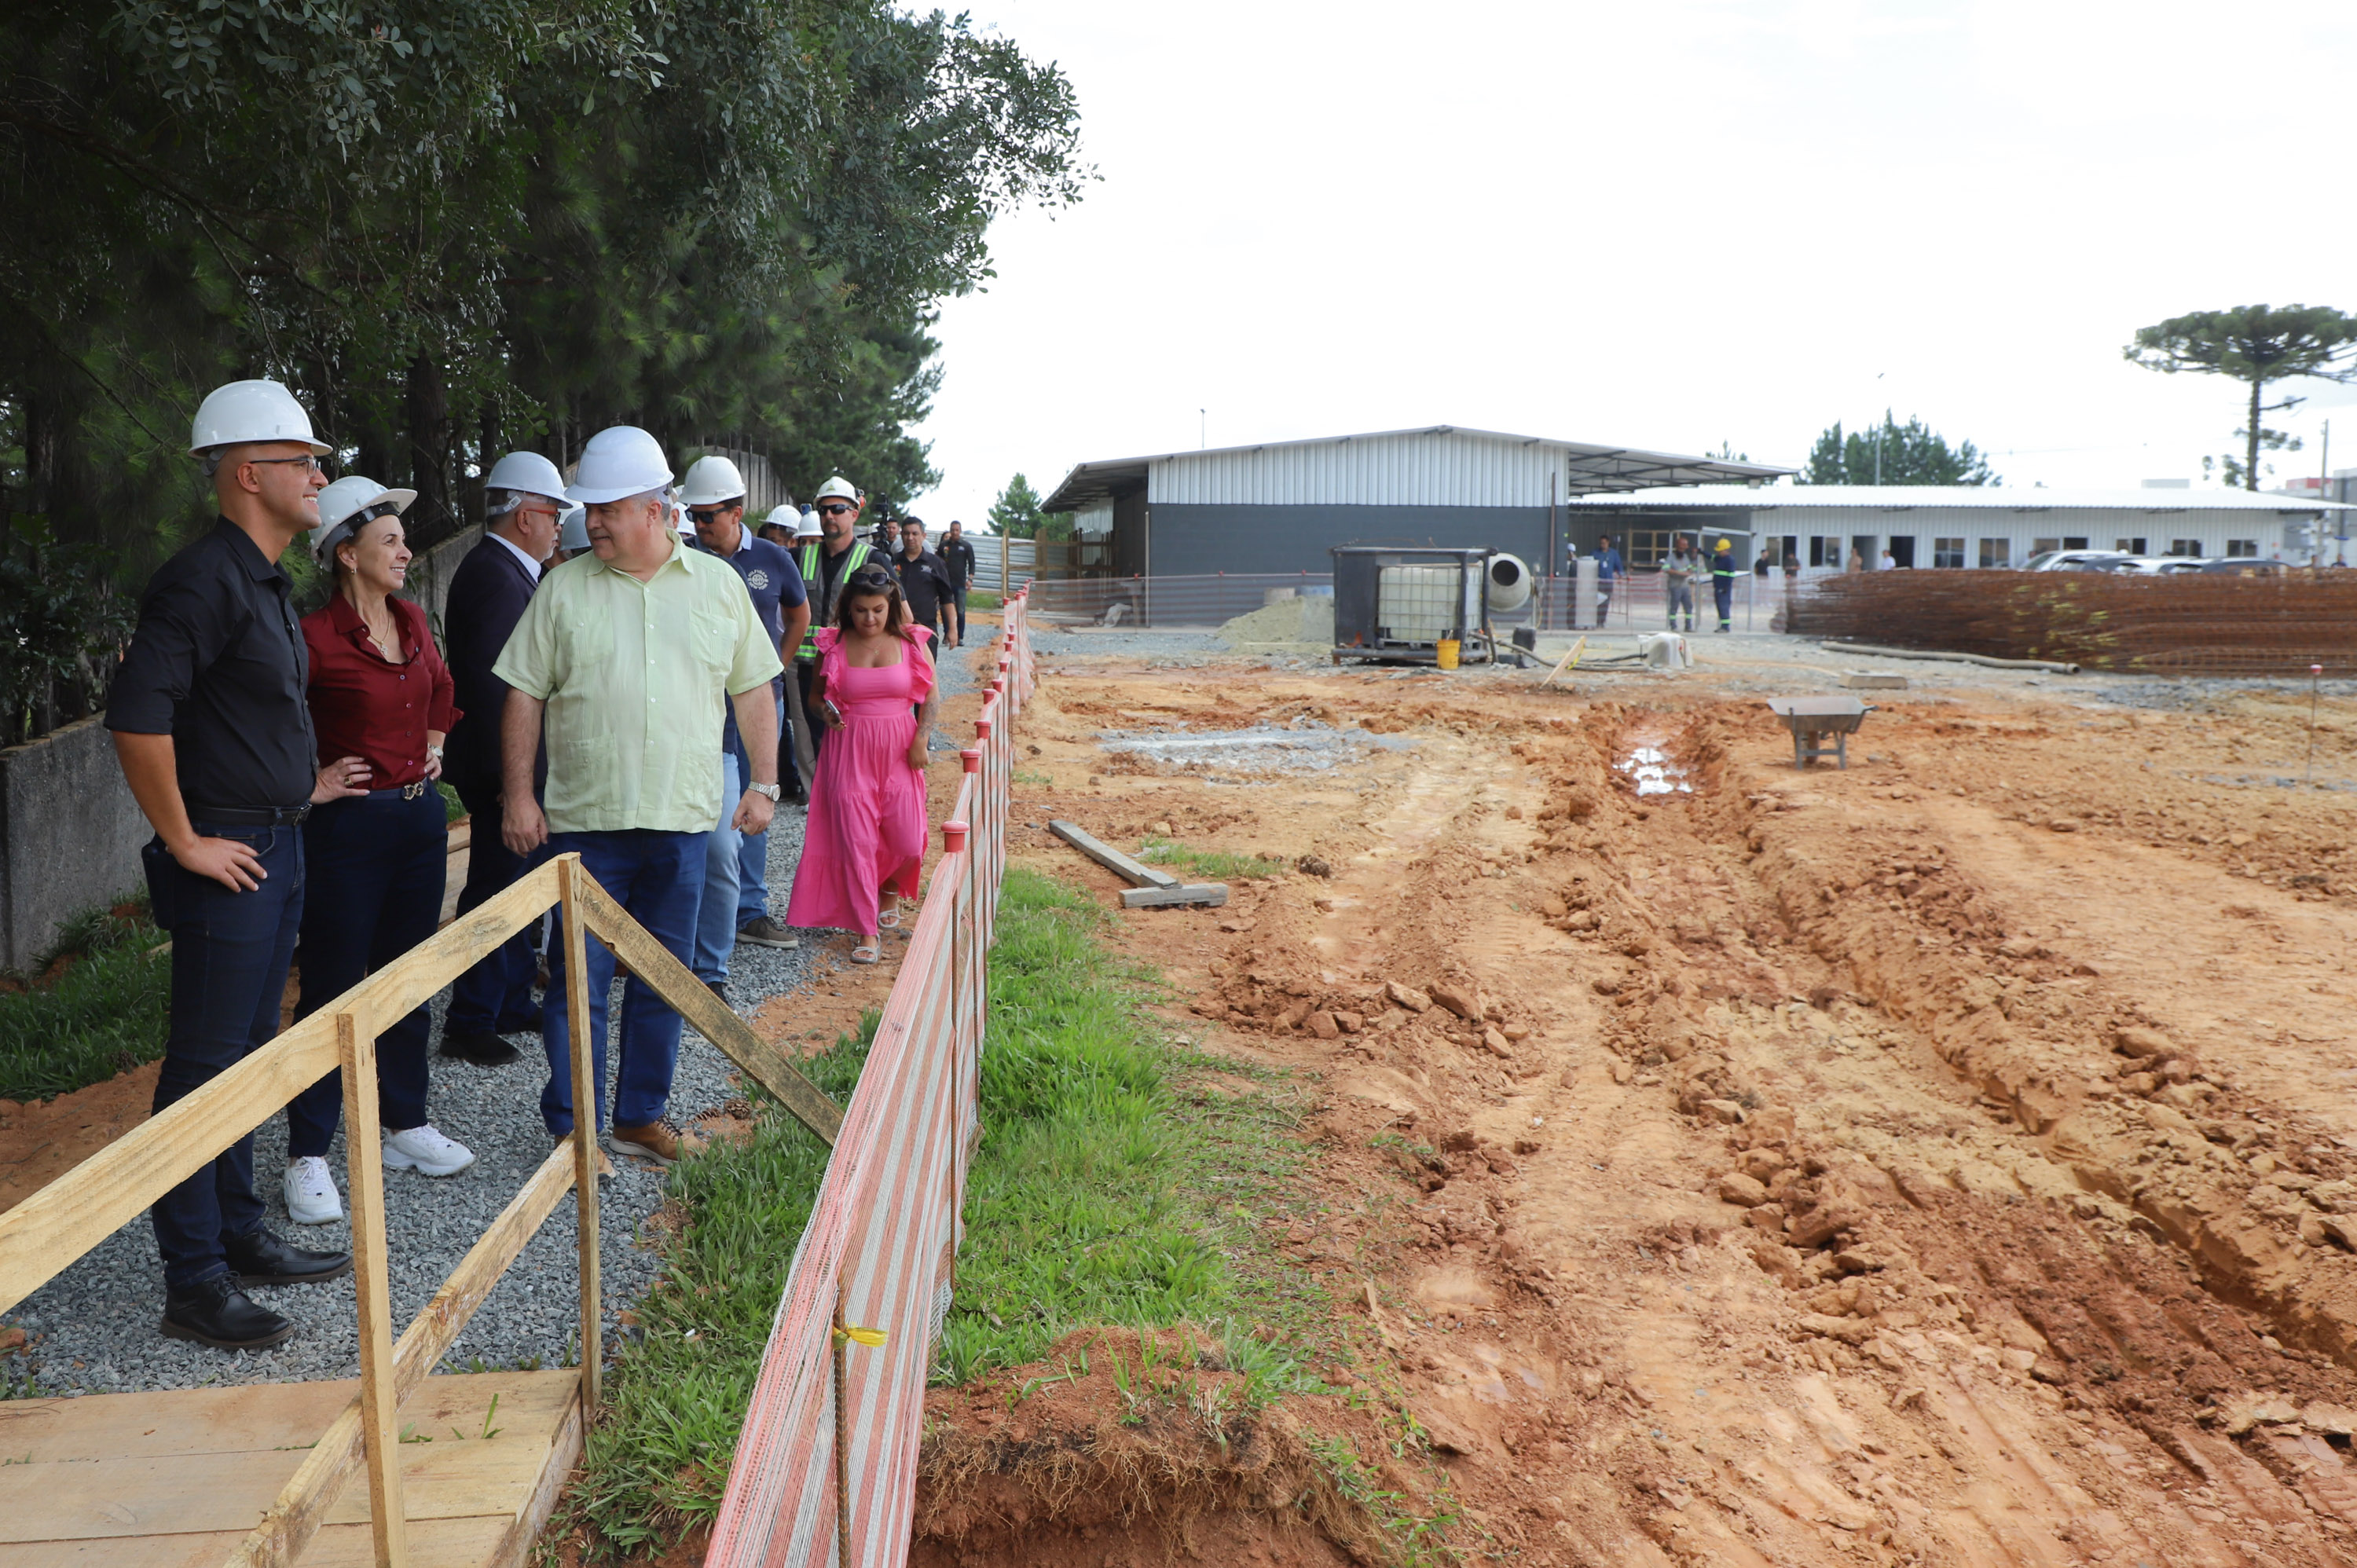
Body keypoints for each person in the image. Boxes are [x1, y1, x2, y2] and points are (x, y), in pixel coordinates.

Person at [107, 379, 357, 1350]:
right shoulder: (201, 580)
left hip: (277, 842)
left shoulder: (261, 578)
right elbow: (138, 717)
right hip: (230, 858)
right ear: (249, 474)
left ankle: (240, 1235)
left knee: (249, 1058)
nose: (320, 477)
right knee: (205, 1070)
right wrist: (182, 839)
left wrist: (304, 791)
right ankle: (195, 1280)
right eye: (305, 462)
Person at [494, 426, 783, 1167]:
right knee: (576, 982)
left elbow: (754, 687)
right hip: (587, 825)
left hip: (682, 823)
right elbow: (523, 695)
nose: (589, 521)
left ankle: (638, 1118)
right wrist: (518, 796)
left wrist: (763, 782)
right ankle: (573, 1125)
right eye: (587, 508)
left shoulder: (718, 587)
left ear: (656, 510)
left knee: (664, 979)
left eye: (606, 508)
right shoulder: (562, 589)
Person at [281, 477, 475, 1226]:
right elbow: (272, 721)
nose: (404, 550)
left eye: (402, 538)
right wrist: (311, 781)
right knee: (332, 985)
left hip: (419, 825)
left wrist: (433, 744)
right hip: (348, 833)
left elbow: (442, 686)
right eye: (389, 540)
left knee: (407, 978)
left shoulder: (413, 618)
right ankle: (308, 1153)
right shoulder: (311, 638)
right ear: (346, 555)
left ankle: (404, 1125)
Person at [438, 451, 565, 1067]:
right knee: (495, 891)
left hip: (513, 768)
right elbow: (497, 688)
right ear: (524, 517)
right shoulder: (494, 574)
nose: (560, 525)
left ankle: (510, 1000)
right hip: (500, 768)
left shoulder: (508, 570)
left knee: (522, 888)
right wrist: (510, 782)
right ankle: (470, 1018)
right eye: (553, 513)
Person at [681, 454, 810, 995]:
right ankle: (700, 924)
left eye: (708, 515)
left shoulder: (774, 559)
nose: (699, 525)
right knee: (711, 811)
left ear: (736, 513)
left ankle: (749, 910)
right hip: (705, 703)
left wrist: (774, 668)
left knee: (759, 792)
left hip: (758, 700)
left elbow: (798, 614)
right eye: (694, 515)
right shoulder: (685, 558)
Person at [785, 563, 933, 964]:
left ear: (891, 606)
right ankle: (865, 930)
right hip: (848, 752)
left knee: (906, 838)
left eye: (878, 610)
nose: (870, 619)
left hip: (900, 750)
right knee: (857, 842)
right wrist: (826, 713)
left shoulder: (912, 641)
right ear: (849, 609)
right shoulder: (832, 644)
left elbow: (931, 697)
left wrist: (922, 739)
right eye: (861, 610)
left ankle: (888, 886)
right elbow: (815, 697)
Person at [794, 475, 877, 761]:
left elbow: (899, 618)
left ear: (854, 513)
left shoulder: (872, 559)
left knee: (848, 739)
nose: (829, 515)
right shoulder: (800, 557)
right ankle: (815, 798)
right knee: (809, 738)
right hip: (805, 667)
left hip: (851, 670)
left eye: (838, 509)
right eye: (824, 510)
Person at [892, 517, 959, 650]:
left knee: (925, 670)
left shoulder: (936, 564)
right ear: (901, 535)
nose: (910, 537)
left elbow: (947, 599)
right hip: (895, 631)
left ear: (924, 536)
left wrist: (952, 629)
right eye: (906, 533)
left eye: (915, 533)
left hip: (925, 631)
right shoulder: (891, 562)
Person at [940, 519, 978, 643]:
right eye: (953, 530)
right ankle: (947, 635)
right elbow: (937, 563)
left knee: (960, 611)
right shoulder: (944, 546)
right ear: (950, 531)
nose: (955, 532)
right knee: (945, 610)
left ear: (960, 531)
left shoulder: (966, 546)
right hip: (945, 583)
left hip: (960, 583)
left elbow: (972, 563)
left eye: (957, 530)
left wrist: (970, 579)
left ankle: (960, 637)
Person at [1662, 537, 1699, 632]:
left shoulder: (1685, 557)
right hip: (1675, 585)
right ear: (1677, 546)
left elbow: (1690, 567)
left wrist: (1690, 570)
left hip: (1685, 586)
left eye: (1684, 547)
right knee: (1674, 606)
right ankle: (1673, 626)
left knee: (1688, 606)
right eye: (1682, 547)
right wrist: (1680, 573)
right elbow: (1666, 568)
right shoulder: (1671, 557)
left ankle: (1688, 626)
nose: (1683, 549)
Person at [1711, 538, 1739, 632]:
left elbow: (1731, 576)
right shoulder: (1720, 559)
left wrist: (1726, 587)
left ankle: (1726, 627)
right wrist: (1702, 552)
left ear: (1726, 550)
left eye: (1720, 550)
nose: (1719, 552)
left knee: (1724, 607)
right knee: (1720, 607)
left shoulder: (1730, 560)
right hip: (1718, 587)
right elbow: (1711, 557)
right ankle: (1723, 626)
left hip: (1724, 588)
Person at [1595, 534, 1623, 621]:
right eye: (1601, 543)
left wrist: (1620, 576)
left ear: (1608, 543)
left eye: (1604, 543)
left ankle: (1603, 620)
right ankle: (1596, 619)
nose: (1602, 545)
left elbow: (1619, 566)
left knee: (1606, 601)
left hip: (1608, 582)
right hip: (1598, 582)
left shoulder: (1613, 554)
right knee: (1598, 601)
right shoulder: (1595, 553)